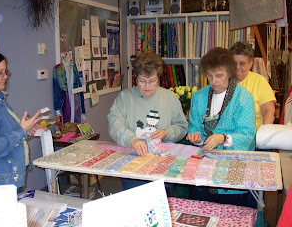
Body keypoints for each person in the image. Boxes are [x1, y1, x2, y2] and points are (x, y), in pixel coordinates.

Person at [108, 52, 188, 193]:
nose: (147, 86)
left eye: (152, 81)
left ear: (159, 78)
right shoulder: (124, 97)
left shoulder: (170, 98)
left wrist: (166, 132)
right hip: (132, 160)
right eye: (142, 81)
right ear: (135, 78)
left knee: (161, 202)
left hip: (162, 162)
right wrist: (132, 140)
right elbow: (115, 124)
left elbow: (182, 126)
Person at [186, 47, 257, 207]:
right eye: (209, 76)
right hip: (204, 169)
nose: (213, 81)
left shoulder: (243, 98)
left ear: (230, 73)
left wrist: (223, 138)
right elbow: (194, 127)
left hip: (233, 169)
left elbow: (247, 135)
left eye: (219, 76)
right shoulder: (198, 97)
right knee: (202, 214)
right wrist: (195, 136)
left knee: (231, 217)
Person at [0, 49, 44, 190]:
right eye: (0, 73)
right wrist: (21, 131)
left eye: (5, 72)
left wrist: (27, 129)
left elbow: (3, 129)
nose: (5, 76)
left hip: (6, 178)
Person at [230, 41, 276, 131]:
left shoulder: (259, 81)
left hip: (255, 139)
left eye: (242, 63)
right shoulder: (223, 81)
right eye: (234, 63)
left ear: (250, 64)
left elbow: (268, 111)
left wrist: (264, 136)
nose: (238, 67)